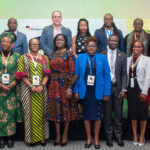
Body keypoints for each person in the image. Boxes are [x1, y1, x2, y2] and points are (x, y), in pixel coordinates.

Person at [74, 36, 111, 149]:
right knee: (86, 116)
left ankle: (96, 137)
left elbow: (107, 76)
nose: (91, 47)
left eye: (93, 46)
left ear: (96, 47)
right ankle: (88, 137)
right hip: (85, 91)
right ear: (86, 47)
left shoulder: (102, 58)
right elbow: (76, 75)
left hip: (98, 91)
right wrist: (76, 91)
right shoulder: (80, 57)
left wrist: (107, 92)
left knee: (97, 116)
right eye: (89, 45)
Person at [15, 38, 50, 146]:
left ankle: (42, 137)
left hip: (41, 90)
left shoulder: (45, 58)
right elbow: (20, 75)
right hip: (27, 90)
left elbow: (47, 74)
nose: (34, 45)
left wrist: (42, 85)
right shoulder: (23, 58)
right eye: (32, 44)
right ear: (29, 45)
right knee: (29, 114)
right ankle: (31, 139)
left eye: (36, 44)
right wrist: (31, 86)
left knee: (42, 113)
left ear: (39, 45)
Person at [47, 34, 79, 147]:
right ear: (55, 42)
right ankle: (58, 135)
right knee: (56, 110)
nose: (59, 41)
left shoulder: (69, 54)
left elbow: (73, 72)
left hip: (65, 85)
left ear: (65, 42)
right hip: (52, 85)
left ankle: (65, 135)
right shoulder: (51, 54)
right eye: (57, 40)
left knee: (66, 111)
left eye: (61, 39)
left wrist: (70, 87)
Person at [101, 34, 127, 147]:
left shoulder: (123, 55)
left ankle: (119, 137)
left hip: (118, 89)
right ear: (108, 41)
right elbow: (100, 74)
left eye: (115, 41)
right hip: (106, 89)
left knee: (118, 115)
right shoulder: (101, 55)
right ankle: (109, 137)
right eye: (111, 40)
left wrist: (123, 89)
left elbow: (124, 74)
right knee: (106, 114)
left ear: (118, 42)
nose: (113, 42)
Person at [0, 32, 22, 148]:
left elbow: (20, 73)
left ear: (12, 44)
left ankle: (10, 137)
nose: (4, 43)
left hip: (12, 90)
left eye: (7, 41)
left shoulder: (17, 56)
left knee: (10, 114)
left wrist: (13, 83)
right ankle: (1, 138)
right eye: (2, 41)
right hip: (0, 90)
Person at [127, 40, 150, 147]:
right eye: (134, 47)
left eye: (138, 47)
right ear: (132, 48)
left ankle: (142, 136)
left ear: (142, 48)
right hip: (130, 90)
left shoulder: (147, 60)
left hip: (141, 90)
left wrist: (144, 92)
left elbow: (148, 77)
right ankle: (135, 135)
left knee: (143, 114)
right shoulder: (128, 60)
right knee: (133, 114)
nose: (136, 49)